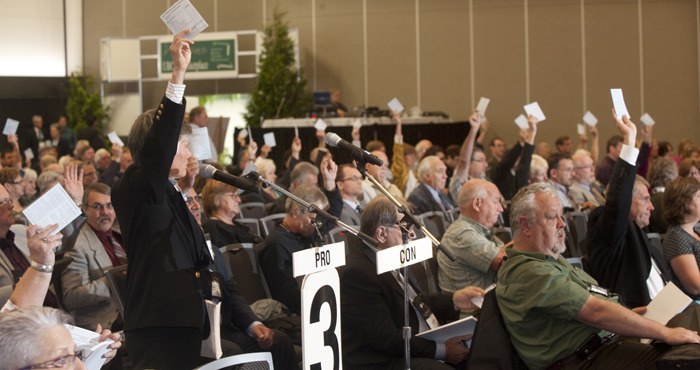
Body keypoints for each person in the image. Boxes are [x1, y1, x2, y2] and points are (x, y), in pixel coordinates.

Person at [496, 182, 700, 370]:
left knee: (692, 328)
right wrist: (665, 333)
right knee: (688, 357)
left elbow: (593, 301)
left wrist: (627, 316)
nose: (562, 224)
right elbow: (595, 311)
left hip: (603, 346)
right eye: (552, 217)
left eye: (561, 216)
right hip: (585, 360)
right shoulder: (530, 271)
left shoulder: (546, 260)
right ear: (525, 226)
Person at [111, 29, 212, 369]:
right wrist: (178, 74)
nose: (188, 152)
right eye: (182, 145)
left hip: (181, 318)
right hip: (158, 323)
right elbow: (162, 142)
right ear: (162, 150)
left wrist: (187, 189)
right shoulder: (136, 184)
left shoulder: (167, 188)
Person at [339, 196, 484, 370]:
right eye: (405, 227)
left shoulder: (389, 252)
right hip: (384, 359)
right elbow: (386, 340)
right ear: (381, 233)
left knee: (484, 350)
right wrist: (442, 350)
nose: (412, 234)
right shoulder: (357, 273)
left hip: (415, 341)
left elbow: (414, 301)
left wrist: (454, 300)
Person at [184, 187, 298, 369]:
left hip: (224, 328)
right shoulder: (173, 255)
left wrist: (253, 325)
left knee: (279, 342)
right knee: (232, 353)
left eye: (196, 199)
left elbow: (231, 293)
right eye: (187, 200)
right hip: (197, 334)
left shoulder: (210, 248)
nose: (196, 206)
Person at [586, 113, 673, 308]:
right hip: (638, 326)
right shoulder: (607, 228)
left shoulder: (642, 235)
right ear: (628, 199)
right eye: (645, 199)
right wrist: (630, 142)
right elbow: (617, 203)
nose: (652, 206)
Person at [61, 182, 124, 331]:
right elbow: (71, 297)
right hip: (104, 325)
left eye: (110, 205)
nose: (105, 212)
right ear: (84, 209)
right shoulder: (76, 244)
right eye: (97, 206)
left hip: (133, 312)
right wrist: (117, 280)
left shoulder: (120, 234)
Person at [258, 185, 329, 315]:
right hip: (297, 311)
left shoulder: (305, 234)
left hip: (317, 300)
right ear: (296, 212)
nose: (317, 225)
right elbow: (286, 294)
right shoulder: (276, 245)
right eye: (313, 220)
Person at [438, 179, 505, 292]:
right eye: (495, 202)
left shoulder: (477, 230)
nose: (501, 208)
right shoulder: (461, 234)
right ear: (477, 203)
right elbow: (506, 263)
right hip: (475, 307)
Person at [662, 177, 700, 299]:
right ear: (684, 202)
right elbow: (695, 286)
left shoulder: (695, 230)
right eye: (699, 196)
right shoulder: (676, 236)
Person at [200, 180, 261, 248]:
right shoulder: (212, 228)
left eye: (237, 195)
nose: (239, 200)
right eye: (233, 195)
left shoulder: (238, 224)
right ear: (216, 199)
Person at [407, 155, 455, 221]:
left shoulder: (441, 194)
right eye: (440, 171)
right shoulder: (416, 198)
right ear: (427, 176)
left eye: (445, 171)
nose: (445, 176)